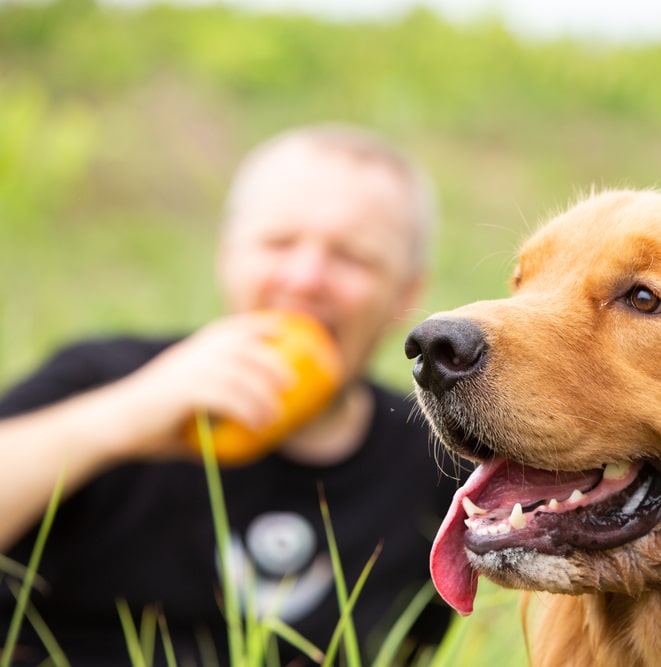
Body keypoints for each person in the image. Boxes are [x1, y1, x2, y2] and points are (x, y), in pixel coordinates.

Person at [0, 124, 463, 665]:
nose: (305, 277)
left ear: (404, 294)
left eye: (353, 257)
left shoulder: (433, 459)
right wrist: (118, 420)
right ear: (228, 255)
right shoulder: (101, 377)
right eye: (277, 242)